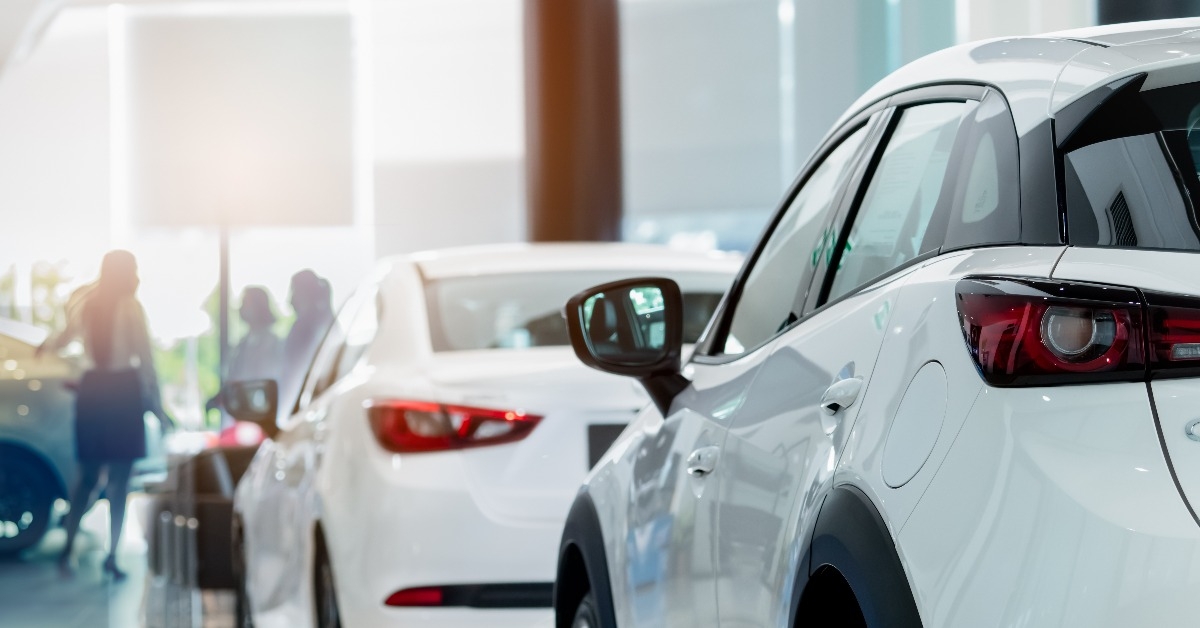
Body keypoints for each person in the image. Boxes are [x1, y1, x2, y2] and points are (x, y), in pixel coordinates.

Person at [36, 250, 171, 580]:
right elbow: (145, 359)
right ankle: (111, 554)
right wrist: (157, 405)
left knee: (87, 477)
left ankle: (69, 547)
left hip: (93, 391)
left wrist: (43, 347)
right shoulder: (130, 307)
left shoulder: (87, 303)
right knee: (119, 481)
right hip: (122, 391)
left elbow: (63, 337)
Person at [207, 286, 283, 428]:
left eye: (245, 302)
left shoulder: (271, 343)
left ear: (258, 306)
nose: (240, 308)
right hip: (236, 420)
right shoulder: (243, 343)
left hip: (254, 421)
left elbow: (262, 384)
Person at [278, 270, 335, 417]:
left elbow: (294, 375)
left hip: (305, 410)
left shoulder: (310, 327)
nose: (290, 300)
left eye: (293, 291)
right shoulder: (322, 322)